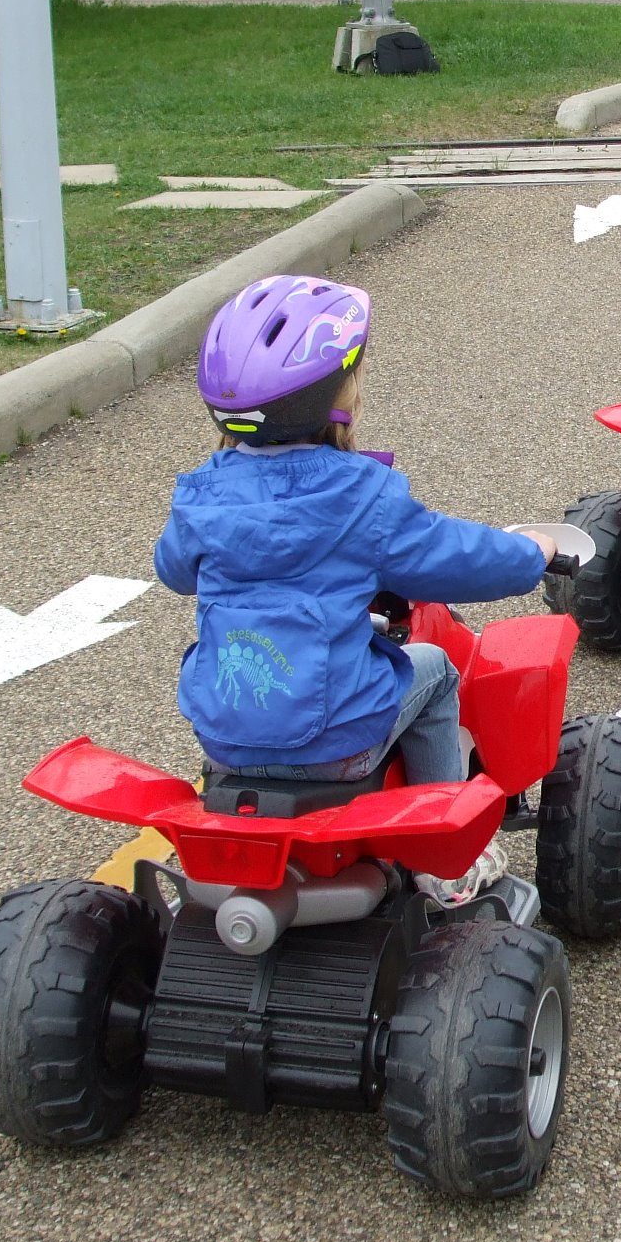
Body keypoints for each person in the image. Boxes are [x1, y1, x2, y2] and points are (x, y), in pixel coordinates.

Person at [154, 274, 553, 899]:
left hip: (225, 743)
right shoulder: (362, 496)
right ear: (336, 397)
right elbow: (460, 558)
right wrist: (534, 553)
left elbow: (174, 570)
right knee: (437, 669)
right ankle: (439, 860)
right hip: (335, 745)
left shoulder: (200, 495)